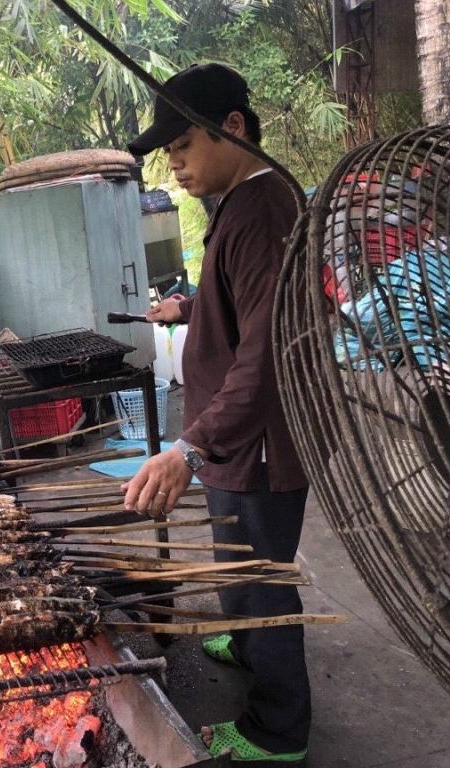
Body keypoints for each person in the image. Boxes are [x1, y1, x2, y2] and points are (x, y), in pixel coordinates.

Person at [123, 62, 311, 764]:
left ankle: (277, 732)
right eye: (168, 151)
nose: (174, 164)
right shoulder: (240, 203)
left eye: (183, 145)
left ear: (232, 127)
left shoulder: (261, 211)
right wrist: (190, 306)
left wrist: (190, 448)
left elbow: (266, 357)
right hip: (232, 444)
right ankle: (247, 638)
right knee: (239, 561)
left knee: (263, 583)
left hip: (254, 443)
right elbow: (246, 299)